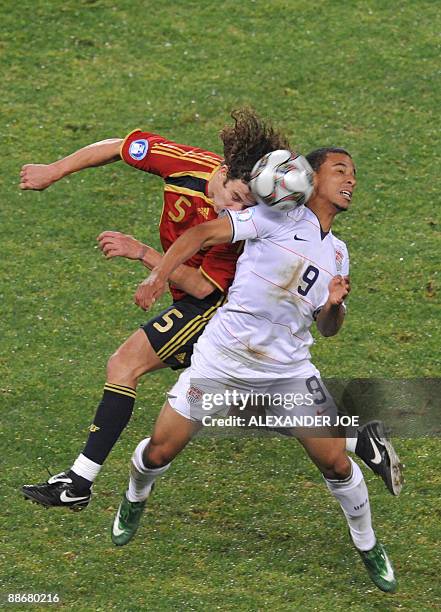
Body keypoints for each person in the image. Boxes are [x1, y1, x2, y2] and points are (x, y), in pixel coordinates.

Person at [109, 148, 398, 593]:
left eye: (354, 173)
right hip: (221, 362)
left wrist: (334, 306)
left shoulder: (339, 254)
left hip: (289, 372)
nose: (351, 180)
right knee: (158, 454)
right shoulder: (272, 218)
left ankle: (368, 544)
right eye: (339, 171)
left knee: (337, 464)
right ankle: (134, 497)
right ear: (309, 178)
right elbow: (203, 234)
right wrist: (157, 274)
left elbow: (327, 329)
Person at [20, 109, 291, 509]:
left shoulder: (240, 226)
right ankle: (356, 438)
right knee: (259, 395)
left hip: (216, 309)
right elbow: (117, 146)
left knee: (125, 364)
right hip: (211, 304)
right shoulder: (186, 165)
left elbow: (204, 287)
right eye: (234, 198)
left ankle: (78, 483)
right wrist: (55, 170)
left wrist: (143, 254)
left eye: (244, 207)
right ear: (224, 170)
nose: (233, 214)